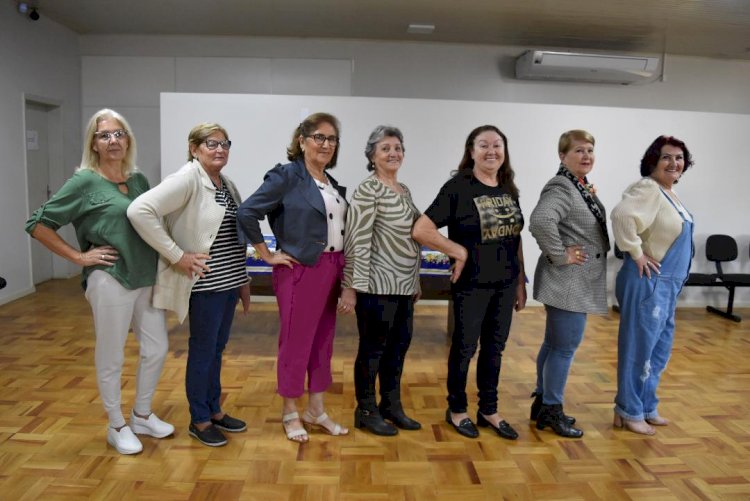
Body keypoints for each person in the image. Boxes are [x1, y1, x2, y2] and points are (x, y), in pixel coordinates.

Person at [25, 109, 174, 455]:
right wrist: (79, 258)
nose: (113, 141)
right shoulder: (83, 182)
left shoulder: (137, 181)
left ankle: (141, 415)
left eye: (119, 133)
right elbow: (38, 224)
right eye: (104, 135)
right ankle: (116, 425)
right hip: (110, 279)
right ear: (93, 143)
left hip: (144, 276)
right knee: (111, 356)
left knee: (157, 348)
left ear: (128, 139)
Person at [127, 123, 250, 447]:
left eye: (225, 143)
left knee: (216, 350)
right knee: (203, 350)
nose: (220, 149)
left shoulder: (224, 182)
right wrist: (176, 255)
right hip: (205, 286)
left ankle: (214, 410)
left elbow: (230, 238)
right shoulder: (187, 178)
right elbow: (140, 210)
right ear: (194, 148)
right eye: (212, 143)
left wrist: (243, 281)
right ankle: (199, 419)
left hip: (227, 283)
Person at [238, 112, 349, 443]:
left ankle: (316, 409)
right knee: (296, 342)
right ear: (301, 141)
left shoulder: (332, 184)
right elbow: (247, 212)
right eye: (319, 137)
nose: (325, 144)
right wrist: (266, 253)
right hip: (300, 270)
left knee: (322, 342)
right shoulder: (287, 176)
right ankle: (289, 411)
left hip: (333, 267)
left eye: (331, 139)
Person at [412, 125, 526, 440]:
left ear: (504, 150)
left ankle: (489, 409)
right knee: (464, 348)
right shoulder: (458, 187)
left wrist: (519, 282)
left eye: (497, 144)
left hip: (505, 284)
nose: (491, 151)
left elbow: (515, 238)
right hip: (473, 284)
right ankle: (457, 410)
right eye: (483, 145)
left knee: (495, 348)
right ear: (471, 151)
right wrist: (457, 250)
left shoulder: (507, 187)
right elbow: (422, 229)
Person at [339, 125, 422, 436]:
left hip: (403, 286)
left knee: (399, 348)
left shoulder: (405, 191)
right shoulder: (367, 190)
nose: (393, 153)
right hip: (375, 286)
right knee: (373, 349)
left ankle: (391, 405)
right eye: (385, 148)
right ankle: (365, 409)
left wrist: (415, 280)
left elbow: (411, 238)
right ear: (372, 156)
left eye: (398, 147)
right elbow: (357, 240)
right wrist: (350, 287)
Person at [528, 130, 610, 438]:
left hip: (572, 281)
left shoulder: (578, 184)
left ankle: (541, 402)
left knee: (554, 344)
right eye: (578, 150)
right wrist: (561, 255)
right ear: (562, 156)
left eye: (590, 150)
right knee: (565, 348)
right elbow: (540, 220)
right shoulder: (562, 185)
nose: (586, 155)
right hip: (568, 281)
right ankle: (552, 409)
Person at [611, 135, 694, 435]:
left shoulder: (670, 194)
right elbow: (622, 215)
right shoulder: (649, 188)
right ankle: (630, 410)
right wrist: (636, 252)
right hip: (648, 281)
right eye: (667, 157)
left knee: (658, 351)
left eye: (679, 158)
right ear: (653, 162)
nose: (674, 163)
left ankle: (644, 406)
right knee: (638, 347)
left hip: (666, 285)